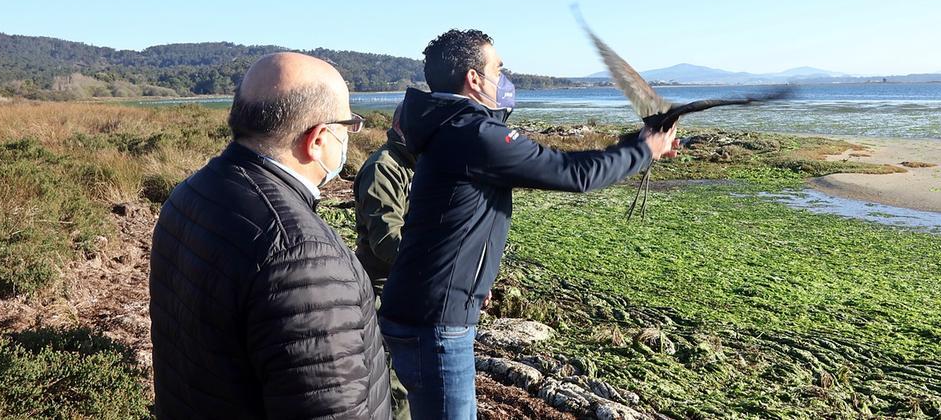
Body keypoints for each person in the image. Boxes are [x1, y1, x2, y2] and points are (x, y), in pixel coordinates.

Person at [378, 30, 677, 419]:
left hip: (427, 306)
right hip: (436, 320)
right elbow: (572, 173)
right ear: (473, 78)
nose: (503, 79)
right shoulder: (474, 135)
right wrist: (645, 149)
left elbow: (452, 222)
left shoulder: (447, 127)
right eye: (497, 69)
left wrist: (476, 282)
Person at [149, 52, 391, 419]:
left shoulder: (191, 193)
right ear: (318, 139)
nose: (349, 136)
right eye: (348, 125)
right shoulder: (304, 256)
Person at [353, 103, 416, 420]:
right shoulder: (385, 168)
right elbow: (386, 241)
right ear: (404, 127)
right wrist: (437, 270)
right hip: (383, 293)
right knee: (394, 384)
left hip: (407, 289)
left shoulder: (416, 164)